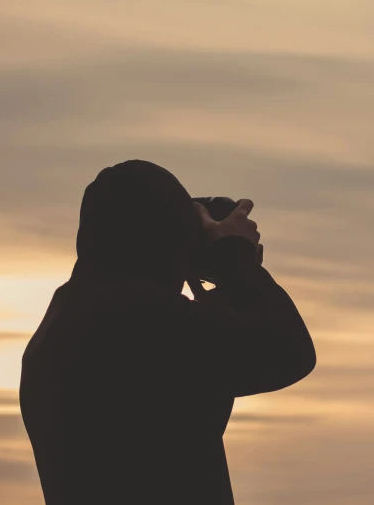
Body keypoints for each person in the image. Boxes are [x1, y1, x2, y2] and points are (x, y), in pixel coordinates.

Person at [19, 160, 316, 504]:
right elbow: (287, 351)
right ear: (169, 238)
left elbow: (206, 353)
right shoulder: (138, 319)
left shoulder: (73, 314)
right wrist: (234, 258)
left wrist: (223, 270)